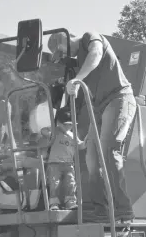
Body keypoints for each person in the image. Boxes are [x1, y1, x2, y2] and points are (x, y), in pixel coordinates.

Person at [48, 31, 137, 222]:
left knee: (109, 150)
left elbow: (95, 55)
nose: (63, 57)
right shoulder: (79, 62)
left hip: (119, 97)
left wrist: (76, 80)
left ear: (64, 40)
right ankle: (102, 211)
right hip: (98, 107)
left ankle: (123, 211)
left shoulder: (90, 37)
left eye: (61, 52)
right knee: (91, 159)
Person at [42, 107, 86, 211]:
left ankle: (70, 202)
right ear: (60, 123)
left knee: (70, 182)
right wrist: (56, 127)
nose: (68, 127)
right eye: (66, 124)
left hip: (68, 163)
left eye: (70, 125)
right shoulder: (55, 132)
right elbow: (43, 131)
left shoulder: (73, 135)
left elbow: (80, 146)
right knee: (54, 183)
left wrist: (88, 140)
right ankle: (54, 203)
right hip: (54, 163)